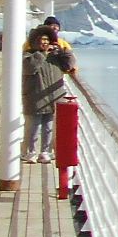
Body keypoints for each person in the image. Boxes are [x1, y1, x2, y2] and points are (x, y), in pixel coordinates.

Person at [21, 27, 74, 163]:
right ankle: (31, 151)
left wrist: (64, 52)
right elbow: (29, 68)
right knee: (33, 126)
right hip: (35, 97)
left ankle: (45, 152)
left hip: (53, 97)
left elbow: (68, 65)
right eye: (41, 39)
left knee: (48, 127)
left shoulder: (55, 56)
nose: (44, 42)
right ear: (34, 41)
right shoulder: (27, 55)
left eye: (46, 40)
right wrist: (42, 54)